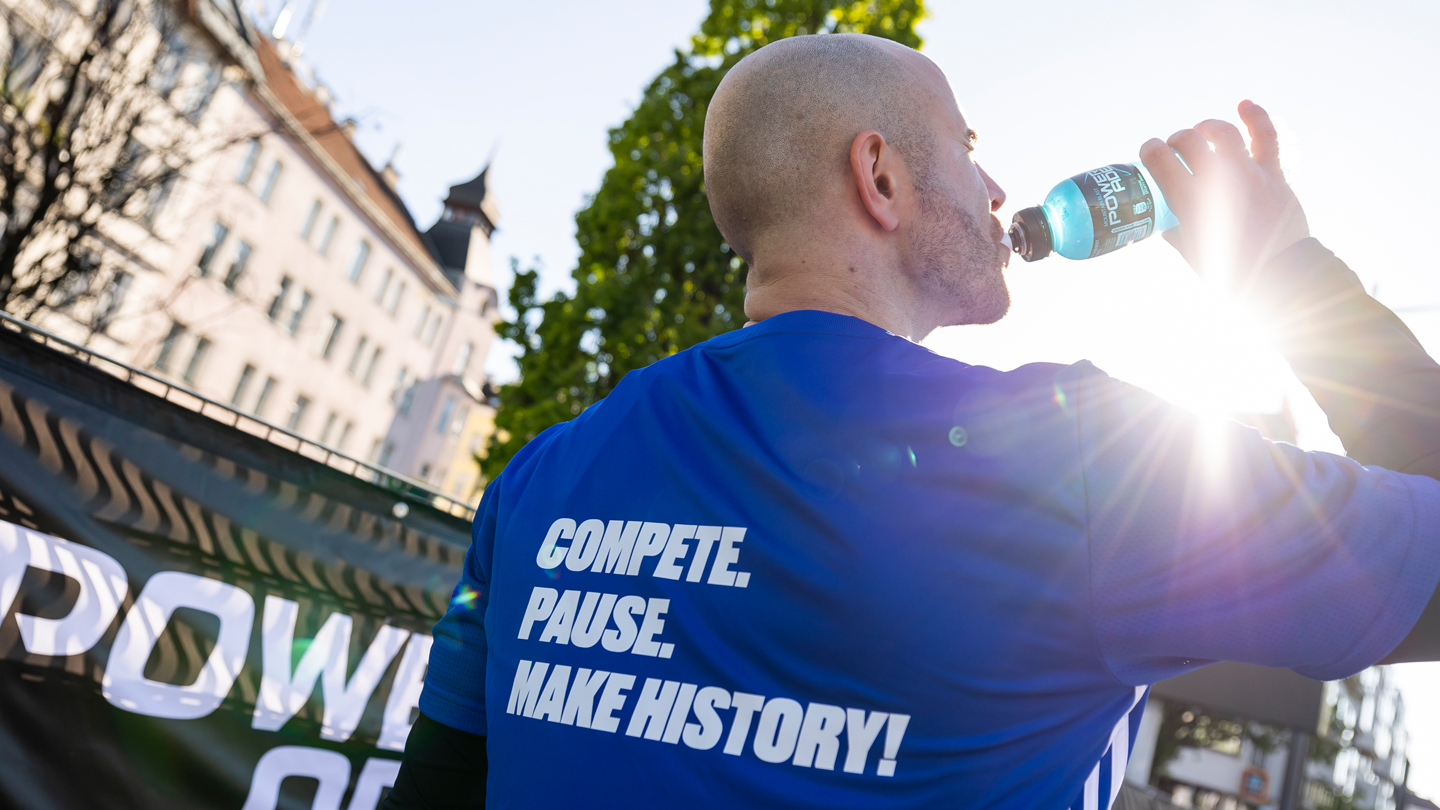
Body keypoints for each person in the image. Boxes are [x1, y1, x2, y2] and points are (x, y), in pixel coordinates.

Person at [383, 34, 1440, 809]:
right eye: (968, 148)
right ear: (879, 175)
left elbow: (435, 790)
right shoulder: (1082, 461)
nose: (997, 186)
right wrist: (1286, 274)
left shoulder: (540, 479)